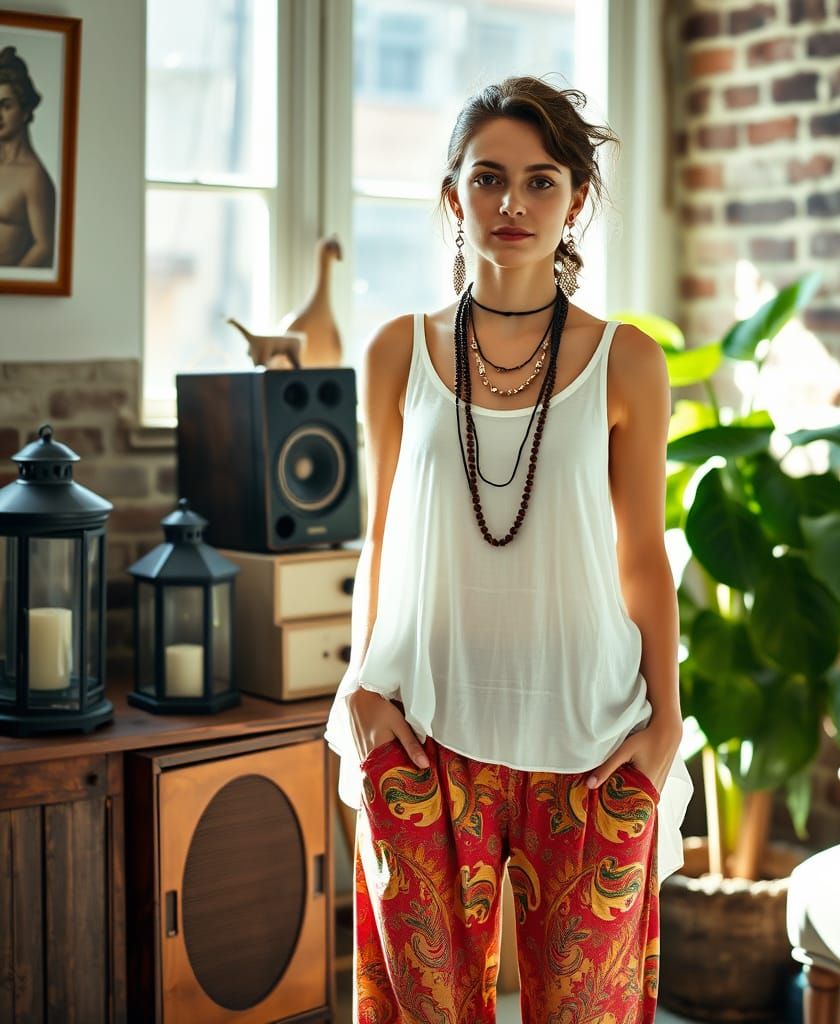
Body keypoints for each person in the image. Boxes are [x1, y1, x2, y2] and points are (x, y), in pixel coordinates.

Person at [324, 75, 694, 1021]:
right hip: (423, 727)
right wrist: (361, 687)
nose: (513, 204)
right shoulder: (394, 353)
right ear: (454, 196)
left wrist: (666, 723)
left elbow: (642, 553)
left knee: (588, 1013)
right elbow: (380, 536)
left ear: (574, 199)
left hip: (595, 734)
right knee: (423, 1013)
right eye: (488, 179)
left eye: (540, 181)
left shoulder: (629, 360)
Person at [0, 46, 56, 268]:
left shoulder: (33, 176)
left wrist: (11, 282)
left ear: (25, 110)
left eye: (6, 106)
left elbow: (45, 247)